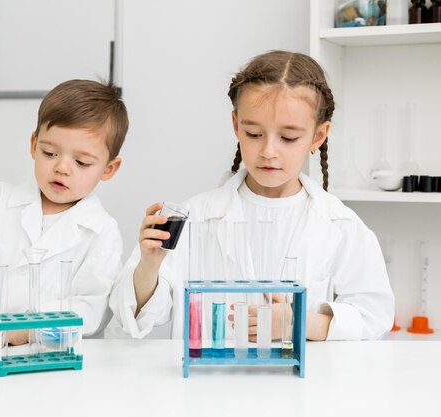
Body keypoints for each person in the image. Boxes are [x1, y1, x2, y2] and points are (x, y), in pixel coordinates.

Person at [110, 51, 394, 341]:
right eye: (254, 133)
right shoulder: (195, 217)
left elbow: (374, 317)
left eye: (288, 138)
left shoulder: (341, 226)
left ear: (318, 136)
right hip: (207, 385)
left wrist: (297, 323)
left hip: (303, 387)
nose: (269, 151)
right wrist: (149, 265)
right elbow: (133, 317)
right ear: (236, 125)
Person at [0, 79, 128, 345]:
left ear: (109, 169)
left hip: (56, 364)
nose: (62, 168)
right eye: (50, 153)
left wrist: (29, 330)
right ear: (33, 145)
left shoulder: (102, 232)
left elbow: (90, 310)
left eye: (81, 162)